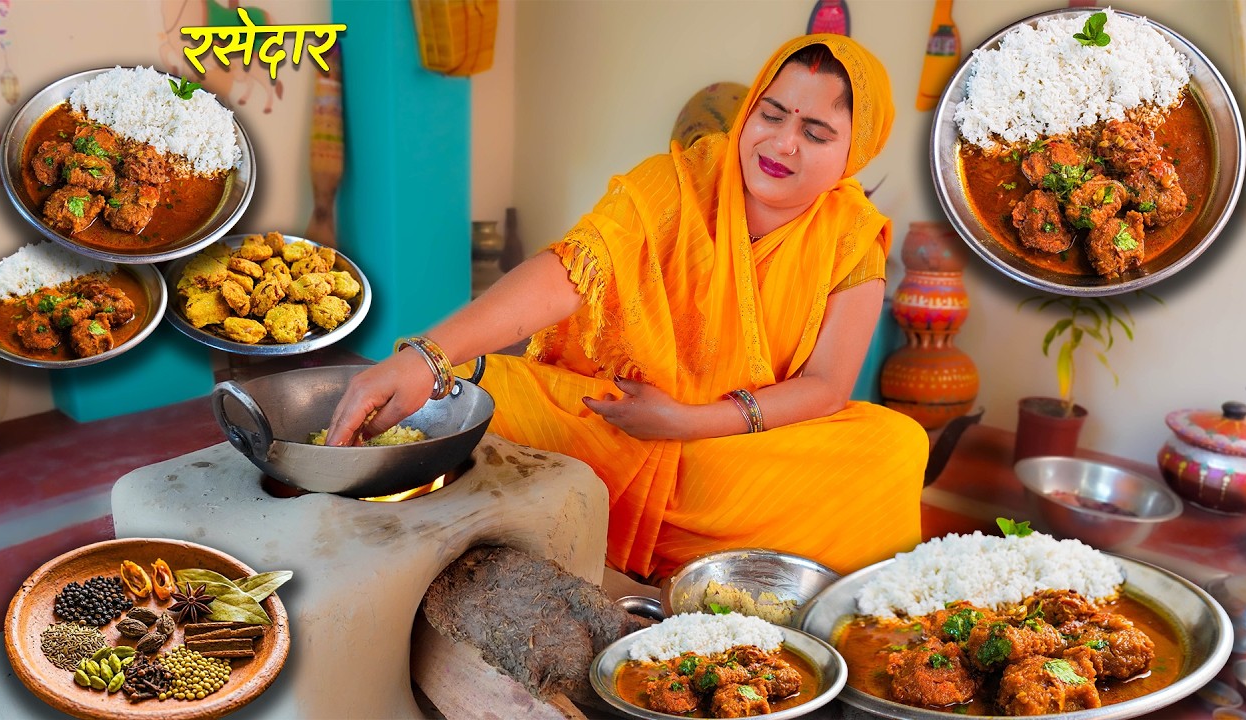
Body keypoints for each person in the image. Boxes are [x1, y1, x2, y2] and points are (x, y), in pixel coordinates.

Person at [328, 34, 928, 581]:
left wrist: (687, 423)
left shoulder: (851, 233)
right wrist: (428, 356)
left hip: (736, 443)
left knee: (895, 444)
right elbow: (571, 269)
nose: (783, 143)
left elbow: (826, 386)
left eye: (816, 133)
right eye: (770, 115)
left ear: (856, 151)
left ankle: (691, 536)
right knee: (471, 388)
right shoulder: (676, 182)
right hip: (619, 418)